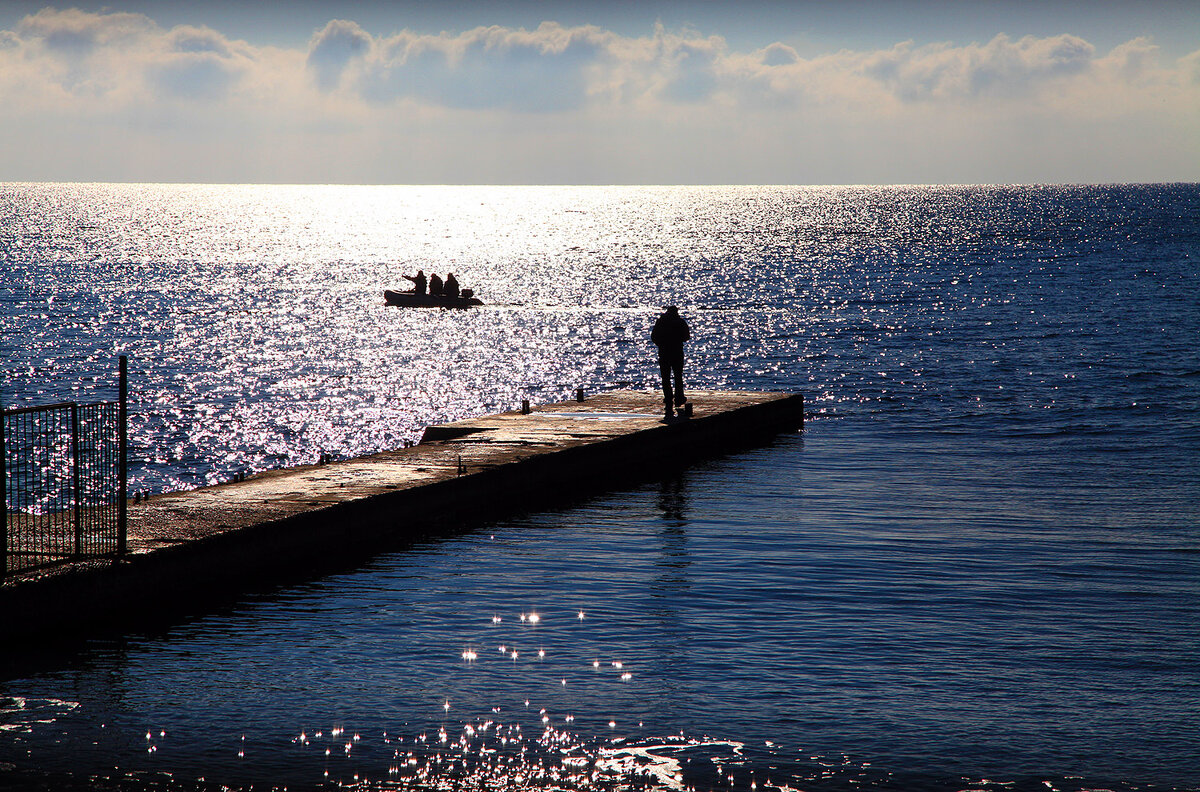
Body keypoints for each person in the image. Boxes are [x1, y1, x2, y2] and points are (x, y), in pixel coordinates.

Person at [651, 305, 690, 418]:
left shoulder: (661, 322)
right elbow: (687, 337)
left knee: (665, 378)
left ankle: (668, 399)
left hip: (664, 353)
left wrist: (661, 344)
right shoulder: (680, 322)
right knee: (678, 376)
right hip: (677, 352)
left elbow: (653, 337)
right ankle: (679, 398)